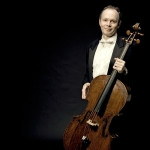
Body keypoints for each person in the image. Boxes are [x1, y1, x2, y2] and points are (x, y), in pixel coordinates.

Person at [81, 5, 136, 150]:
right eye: (105, 20)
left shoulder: (127, 46)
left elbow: (139, 74)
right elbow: (88, 73)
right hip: (94, 103)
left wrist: (124, 70)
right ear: (99, 21)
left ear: (119, 24)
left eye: (113, 21)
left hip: (115, 103)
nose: (108, 24)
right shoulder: (91, 46)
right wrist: (86, 83)